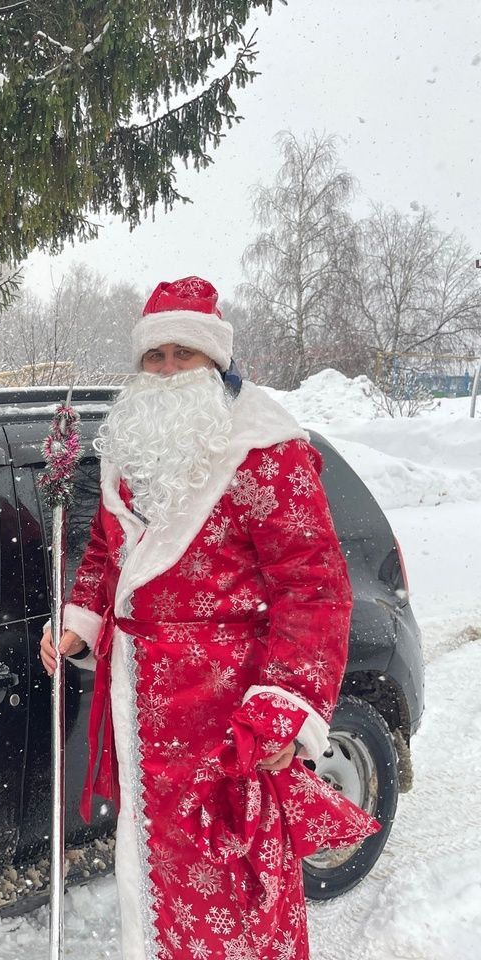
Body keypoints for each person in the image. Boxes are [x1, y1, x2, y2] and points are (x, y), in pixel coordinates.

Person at [40, 277, 377, 960]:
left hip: (229, 717)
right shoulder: (131, 455)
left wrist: (282, 710)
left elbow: (313, 590)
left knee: (236, 884)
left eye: (183, 354)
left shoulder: (266, 454)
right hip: (143, 711)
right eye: (154, 356)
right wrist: (83, 618)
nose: (166, 370)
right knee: (156, 876)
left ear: (215, 362)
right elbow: (110, 554)